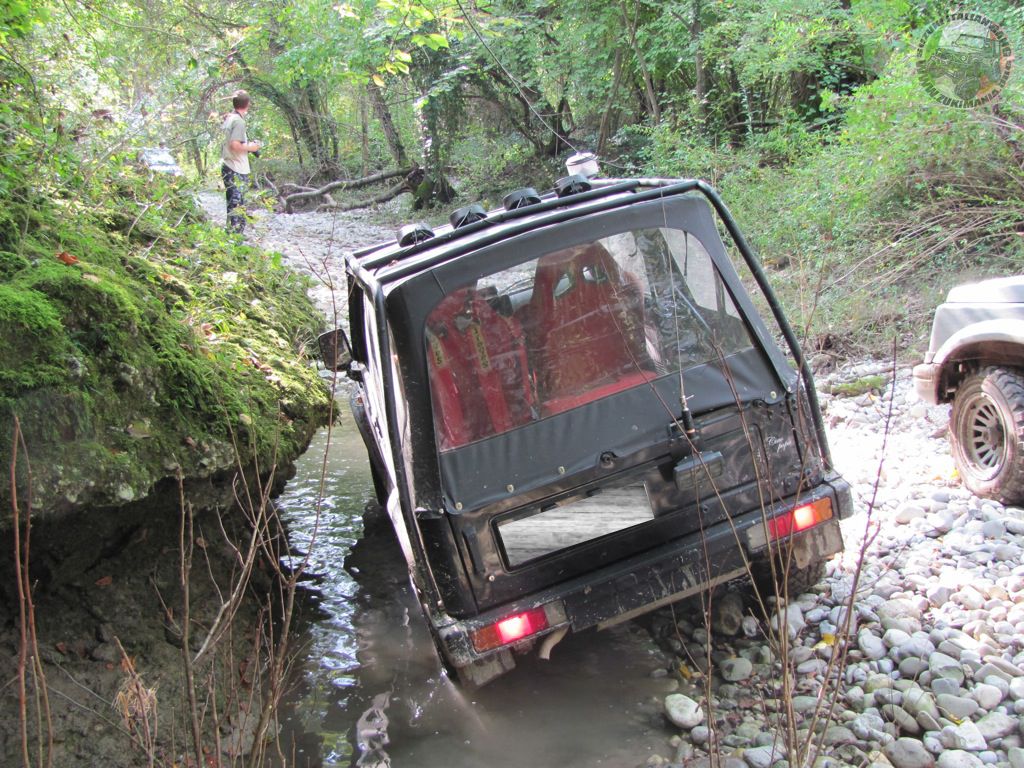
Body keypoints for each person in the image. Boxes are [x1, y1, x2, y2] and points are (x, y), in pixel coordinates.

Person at [221, 90, 261, 234]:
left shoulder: (230, 119)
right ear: (247, 104)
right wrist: (252, 147)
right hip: (236, 167)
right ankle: (235, 238)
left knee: (233, 205)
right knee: (238, 205)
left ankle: (232, 237)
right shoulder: (238, 121)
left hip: (228, 165)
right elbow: (235, 145)